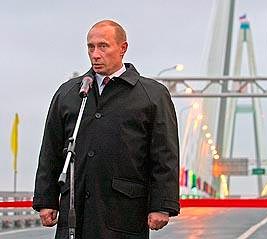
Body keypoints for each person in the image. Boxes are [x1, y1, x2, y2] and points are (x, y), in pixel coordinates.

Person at [33, 19, 180, 239]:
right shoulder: (69, 93)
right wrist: (46, 199)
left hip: (124, 211)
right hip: (75, 209)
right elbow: (50, 150)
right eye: (91, 47)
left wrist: (162, 204)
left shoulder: (152, 95)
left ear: (123, 48)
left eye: (103, 46)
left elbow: (165, 154)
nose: (95, 54)